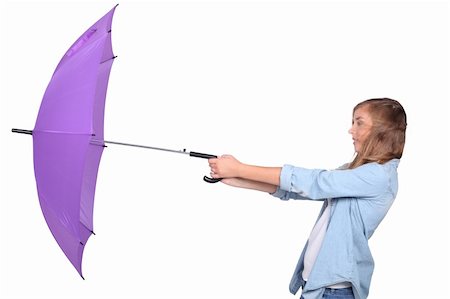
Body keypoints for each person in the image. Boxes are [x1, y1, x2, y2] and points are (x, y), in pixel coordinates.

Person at [207, 98, 407, 299]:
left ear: (381, 131)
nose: (351, 130)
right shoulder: (356, 172)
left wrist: (240, 168)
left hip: (334, 292)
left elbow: (315, 183)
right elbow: (298, 189)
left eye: (359, 122)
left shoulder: (379, 176)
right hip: (317, 286)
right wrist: (239, 179)